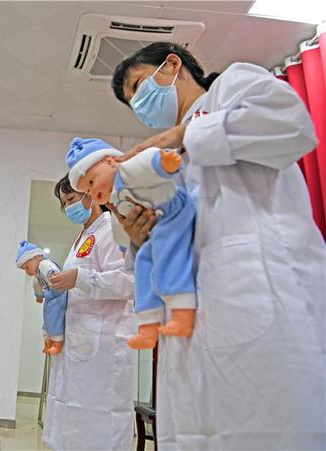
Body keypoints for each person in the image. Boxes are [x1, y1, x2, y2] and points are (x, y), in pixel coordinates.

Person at [110, 41, 325, 450]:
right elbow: (176, 237)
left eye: (138, 87)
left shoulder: (232, 87)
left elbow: (293, 126)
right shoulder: (164, 162)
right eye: (130, 101)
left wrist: (187, 133)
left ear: (172, 65)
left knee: (271, 428)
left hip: (258, 298)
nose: (138, 104)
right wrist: (142, 238)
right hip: (192, 324)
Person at [67, 137, 196, 349]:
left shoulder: (127, 172)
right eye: (87, 191)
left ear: (110, 162)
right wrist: (128, 244)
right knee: (144, 267)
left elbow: (148, 161)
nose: (92, 192)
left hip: (173, 217)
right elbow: (124, 237)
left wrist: (163, 163)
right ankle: (148, 325)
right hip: (156, 232)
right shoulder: (116, 202)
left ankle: (182, 313)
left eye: (91, 183)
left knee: (172, 261)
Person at [42, 174, 135, 451]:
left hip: (103, 346)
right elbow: (80, 285)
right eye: (64, 203)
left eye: (71, 198)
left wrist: (79, 279)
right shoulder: (83, 236)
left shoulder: (111, 229)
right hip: (79, 343)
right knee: (72, 420)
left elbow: (129, 282)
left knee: (98, 424)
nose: (68, 207)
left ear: (89, 194)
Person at [16, 240, 68, 355]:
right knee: (46, 321)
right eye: (25, 269)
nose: (27, 271)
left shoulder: (43, 264)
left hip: (58, 295)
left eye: (27, 267)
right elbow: (37, 284)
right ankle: (48, 341)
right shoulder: (38, 275)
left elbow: (51, 271)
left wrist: (53, 275)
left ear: (37, 257)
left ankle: (57, 342)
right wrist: (39, 296)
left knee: (55, 318)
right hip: (50, 297)